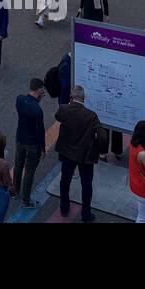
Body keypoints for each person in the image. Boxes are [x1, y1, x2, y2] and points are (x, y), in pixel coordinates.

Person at [55, 85, 100, 222]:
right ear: (84, 98)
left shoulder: (64, 109)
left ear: (71, 98)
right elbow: (102, 135)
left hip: (67, 153)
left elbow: (58, 116)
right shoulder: (91, 116)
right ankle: (86, 214)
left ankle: (64, 207)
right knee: (86, 185)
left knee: (65, 181)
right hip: (85, 155)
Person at [13, 78, 46, 208]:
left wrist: (37, 100)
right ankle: (26, 199)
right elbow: (40, 131)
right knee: (29, 172)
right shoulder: (37, 110)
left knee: (18, 166)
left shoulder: (20, 99)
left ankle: (15, 191)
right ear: (39, 90)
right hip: (33, 144)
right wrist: (42, 149)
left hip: (20, 139)